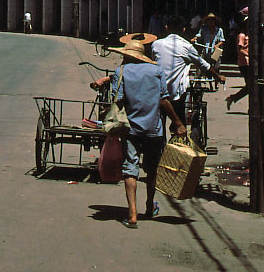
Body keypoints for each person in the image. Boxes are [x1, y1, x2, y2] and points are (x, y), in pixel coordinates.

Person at [93, 40, 187, 229]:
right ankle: (149, 206)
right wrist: (177, 122)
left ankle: (132, 214)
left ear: (128, 55)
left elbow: (118, 100)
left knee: (130, 168)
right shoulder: (157, 70)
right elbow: (164, 101)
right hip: (154, 129)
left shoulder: (122, 72)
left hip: (130, 129)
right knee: (152, 169)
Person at [151, 16, 225, 131]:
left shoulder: (156, 44)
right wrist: (217, 76)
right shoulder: (187, 46)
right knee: (180, 123)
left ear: (166, 27)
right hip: (177, 94)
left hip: (157, 92)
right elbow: (203, 64)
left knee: (158, 125)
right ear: (184, 30)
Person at [226, 7, 250, 110]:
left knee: (252, 87)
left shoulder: (250, 34)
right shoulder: (241, 35)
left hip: (250, 63)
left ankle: (233, 98)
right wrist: (249, 55)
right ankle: (233, 98)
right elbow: (240, 49)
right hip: (244, 63)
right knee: (251, 87)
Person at [193, 13, 225, 82]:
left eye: (212, 21)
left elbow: (222, 40)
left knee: (216, 67)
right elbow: (199, 35)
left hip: (216, 51)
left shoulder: (219, 30)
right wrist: (194, 39)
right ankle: (208, 79)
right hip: (206, 49)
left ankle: (217, 81)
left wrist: (217, 45)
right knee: (207, 66)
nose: (211, 22)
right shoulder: (204, 29)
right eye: (209, 21)